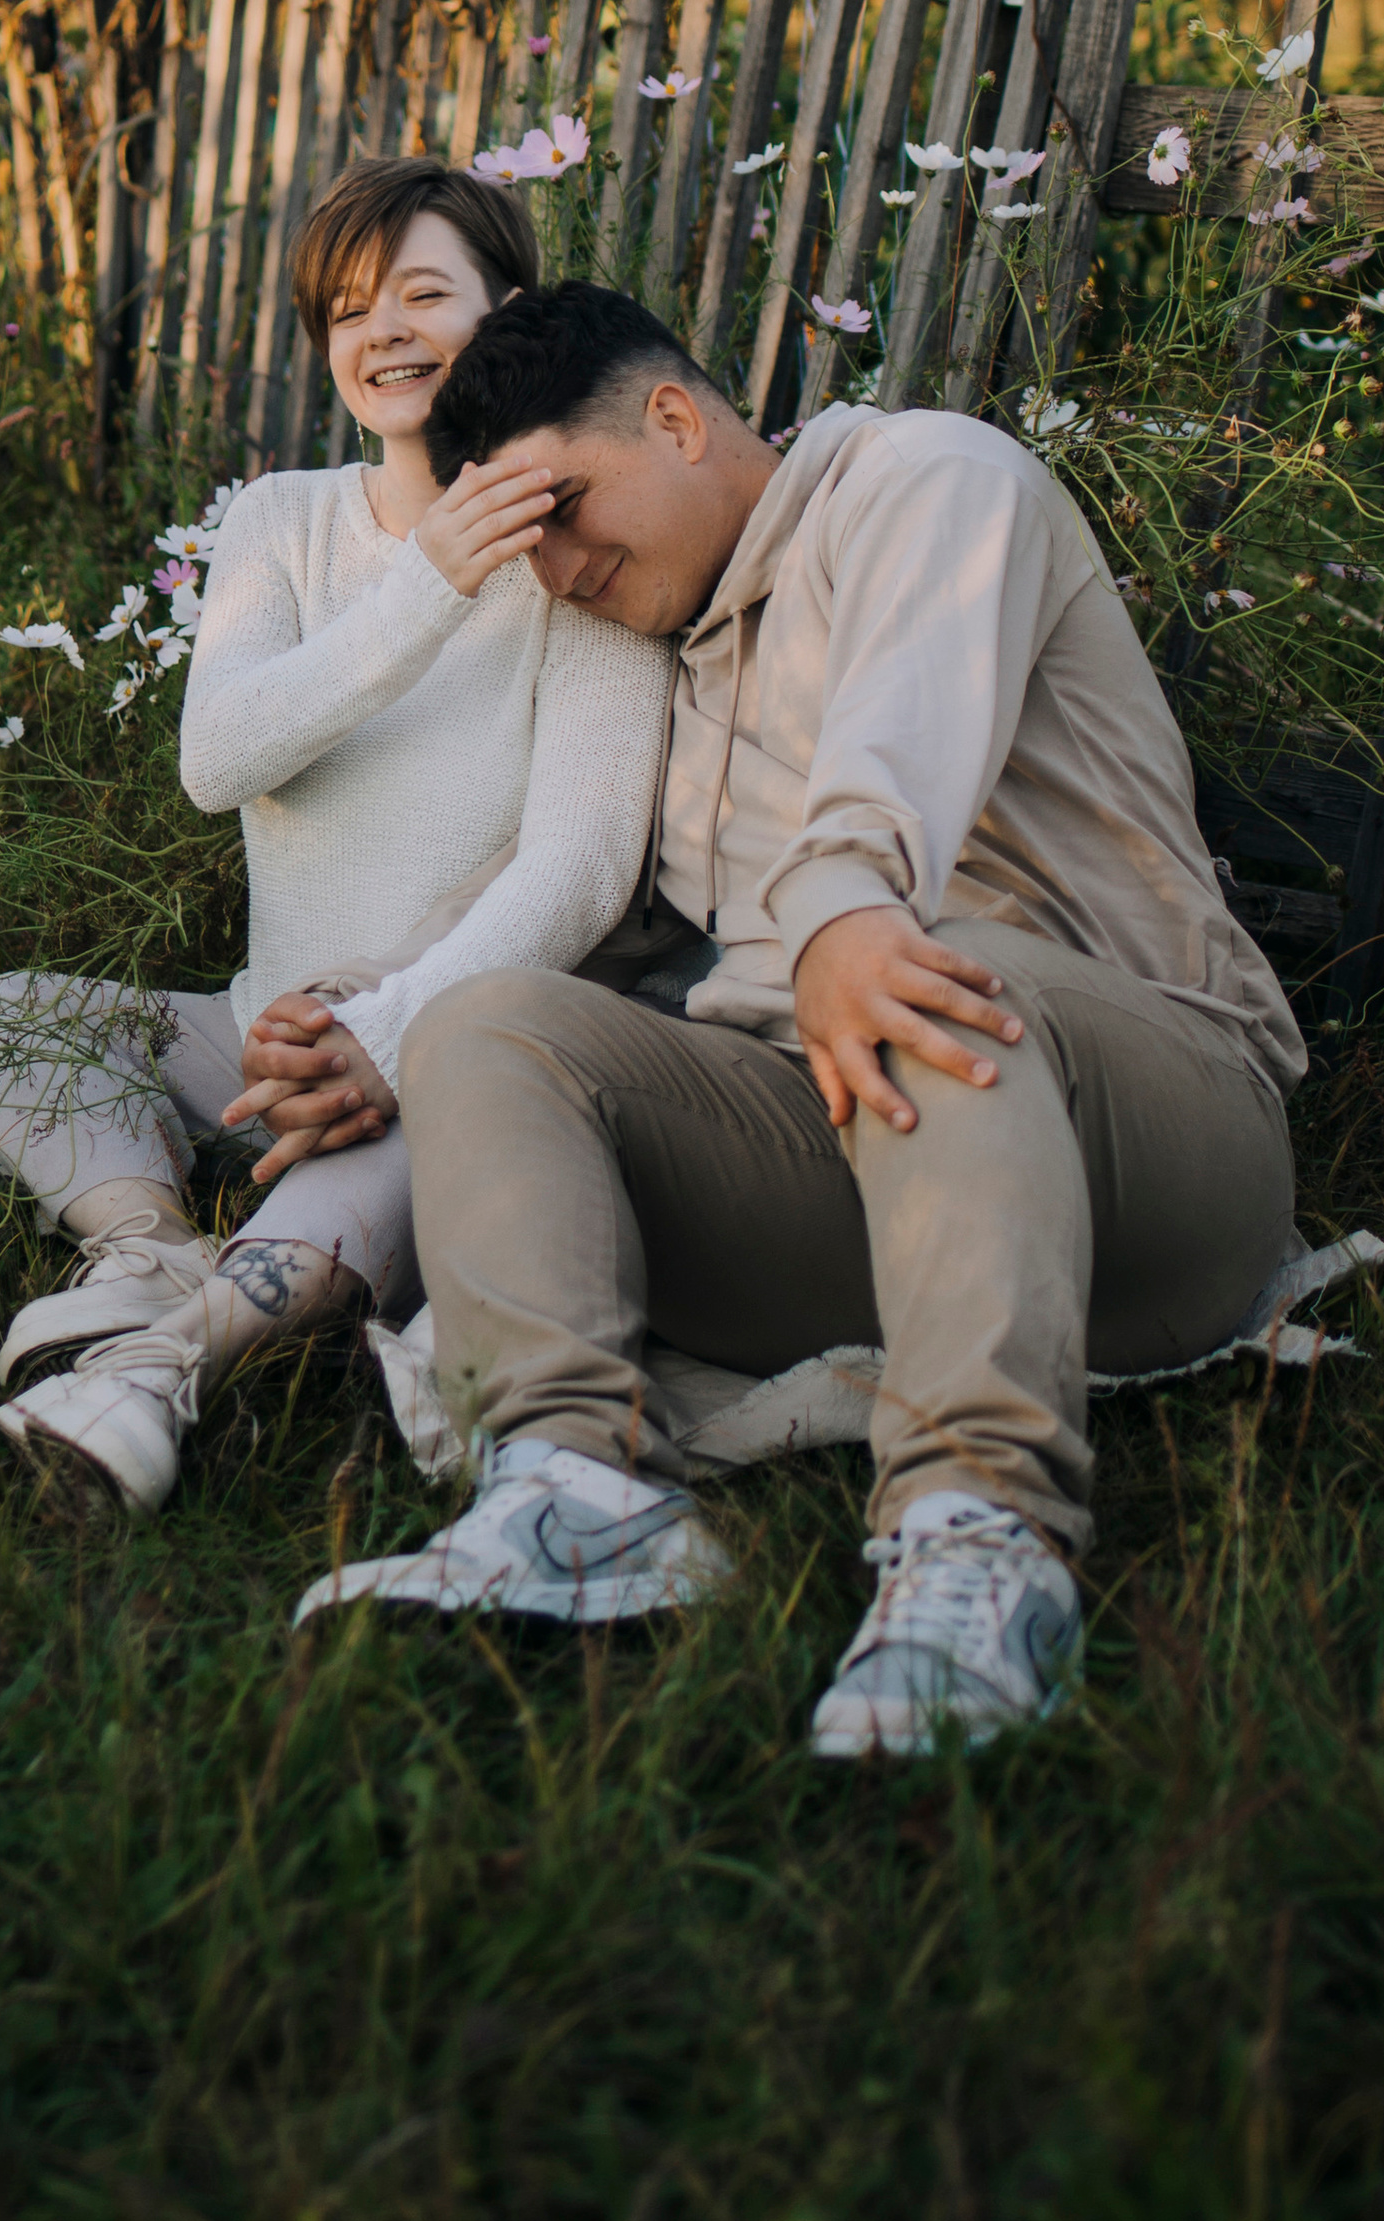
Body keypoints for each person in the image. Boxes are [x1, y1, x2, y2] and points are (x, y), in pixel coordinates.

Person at [293, 281, 1307, 1759]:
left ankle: (982, 1541)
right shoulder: (672, 666)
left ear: (676, 416)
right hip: (864, 1167)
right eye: (532, 544)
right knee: (487, 1025)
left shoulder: (927, 481)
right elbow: (603, 936)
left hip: (1155, 1138)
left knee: (918, 965)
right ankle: (572, 1495)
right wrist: (370, 1021)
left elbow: (896, 750)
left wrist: (840, 911)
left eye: (568, 507)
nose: (561, 568)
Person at [0, 167, 672, 1518]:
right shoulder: (281, 521)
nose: (382, 333)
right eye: (346, 309)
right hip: (253, 1028)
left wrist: (388, 1028)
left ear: (505, 309)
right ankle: (143, 1252)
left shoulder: (577, 553)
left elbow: (582, 869)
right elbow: (218, 759)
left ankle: (167, 1373)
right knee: (9, 1023)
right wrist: (428, 586)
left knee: (408, 1126)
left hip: (443, 1042)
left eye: (422, 294)